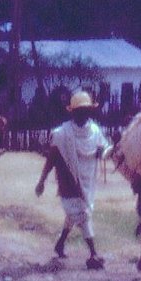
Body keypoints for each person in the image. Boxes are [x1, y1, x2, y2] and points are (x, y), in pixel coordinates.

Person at [35, 90, 111, 269]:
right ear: (73, 112)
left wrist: (103, 152)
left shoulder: (95, 131)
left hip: (88, 180)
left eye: (86, 110)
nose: (83, 114)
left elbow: (104, 149)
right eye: (79, 111)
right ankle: (93, 253)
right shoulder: (62, 134)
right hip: (68, 181)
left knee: (74, 214)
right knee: (82, 215)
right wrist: (42, 181)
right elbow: (52, 158)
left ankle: (60, 243)